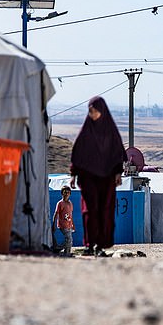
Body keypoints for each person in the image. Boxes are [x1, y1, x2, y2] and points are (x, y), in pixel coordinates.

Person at [70, 96, 126, 257]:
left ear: (102, 111)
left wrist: (117, 173)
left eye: (95, 111)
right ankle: (89, 244)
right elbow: (78, 153)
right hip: (88, 177)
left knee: (104, 211)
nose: (93, 115)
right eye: (90, 112)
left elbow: (116, 153)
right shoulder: (87, 131)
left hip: (106, 178)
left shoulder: (110, 131)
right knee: (89, 210)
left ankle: (100, 245)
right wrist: (73, 175)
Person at [52, 185, 75, 256]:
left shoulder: (70, 203)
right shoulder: (60, 203)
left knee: (69, 241)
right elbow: (56, 214)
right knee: (69, 239)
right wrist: (53, 224)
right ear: (62, 193)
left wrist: (73, 225)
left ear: (70, 194)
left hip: (69, 225)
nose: (66, 194)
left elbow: (71, 215)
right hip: (63, 225)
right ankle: (58, 248)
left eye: (68, 192)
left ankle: (66, 253)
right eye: (65, 192)